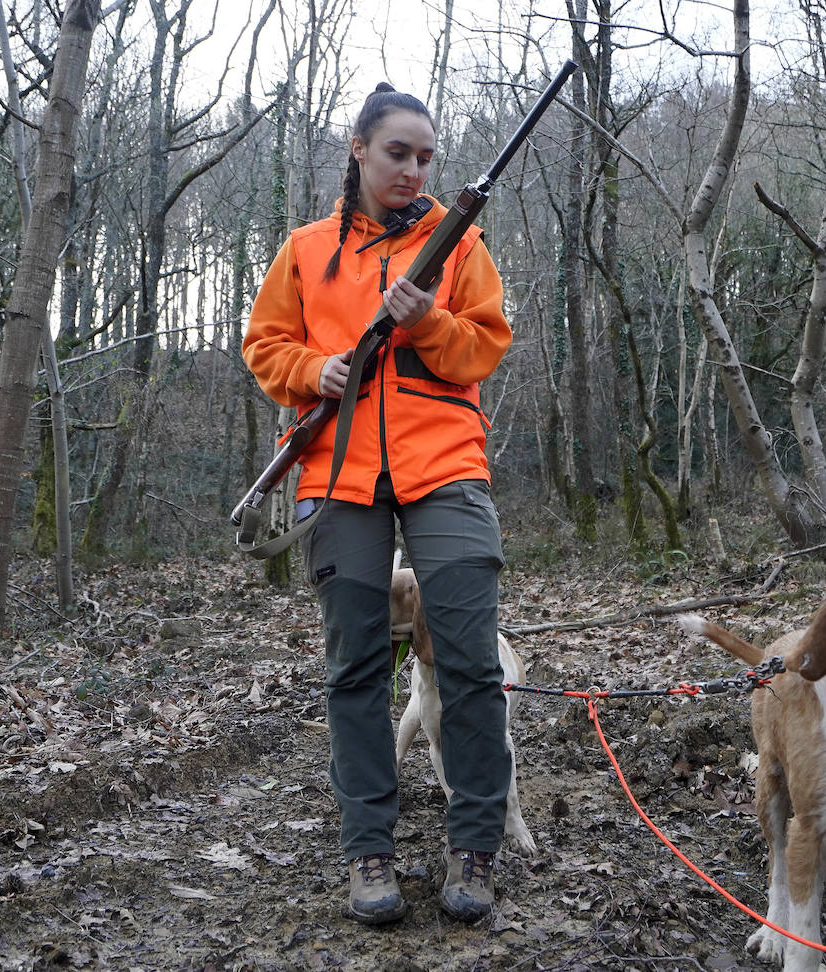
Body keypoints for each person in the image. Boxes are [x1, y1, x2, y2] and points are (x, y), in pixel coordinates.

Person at [242, 83, 513, 925]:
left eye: (426, 157)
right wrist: (312, 371)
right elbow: (265, 344)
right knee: (355, 668)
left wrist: (428, 321)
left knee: (469, 663)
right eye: (397, 152)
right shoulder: (304, 248)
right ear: (358, 149)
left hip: (447, 467)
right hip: (336, 473)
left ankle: (473, 851)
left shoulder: (459, 243)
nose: (413, 169)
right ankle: (369, 854)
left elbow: (484, 348)